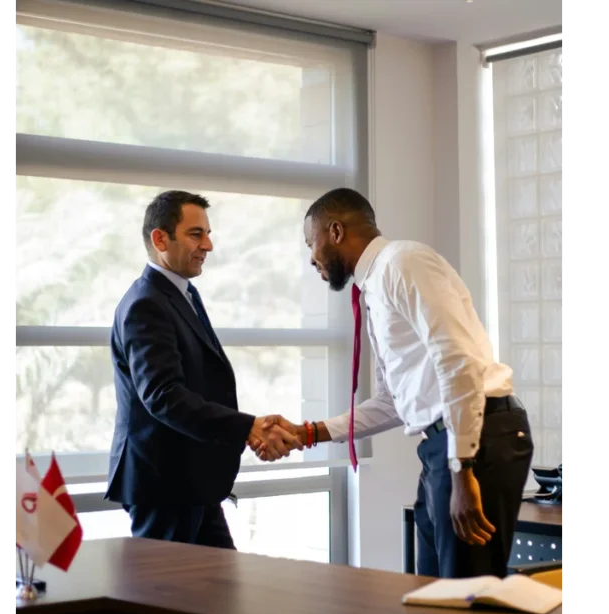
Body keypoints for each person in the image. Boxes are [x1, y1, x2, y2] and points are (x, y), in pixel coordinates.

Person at [252, 188, 533, 579]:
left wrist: (462, 468)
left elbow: (457, 360)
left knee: (469, 600)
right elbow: (393, 402)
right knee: (434, 594)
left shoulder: (403, 262)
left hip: (477, 439)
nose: (311, 258)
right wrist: (310, 433)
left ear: (335, 231)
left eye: (310, 243)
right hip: (446, 445)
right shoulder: (375, 285)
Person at [106, 190, 302, 549]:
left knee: (221, 596)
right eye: (196, 234)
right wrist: (248, 427)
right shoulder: (145, 304)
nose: (208, 245)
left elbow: (200, 387)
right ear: (160, 238)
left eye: (208, 234)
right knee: (167, 601)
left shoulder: (182, 293)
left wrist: (249, 429)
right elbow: (164, 397)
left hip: (192, 484)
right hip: (165, 487)